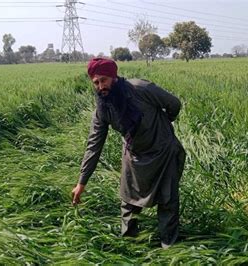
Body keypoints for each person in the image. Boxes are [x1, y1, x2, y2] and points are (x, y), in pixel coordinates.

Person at [71, 58, 186, 248]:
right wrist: (81, 183)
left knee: (168, 201)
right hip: (134, 156)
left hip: (163, 151)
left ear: (114, 77)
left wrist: (164, 123)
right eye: (96, 82)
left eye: (104, 80)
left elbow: (174, 103)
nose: (101, 86)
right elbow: (94, 145)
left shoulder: (141, 89)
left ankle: (170, 249)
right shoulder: (103, 108)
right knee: (127, 201)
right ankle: (130, 244)